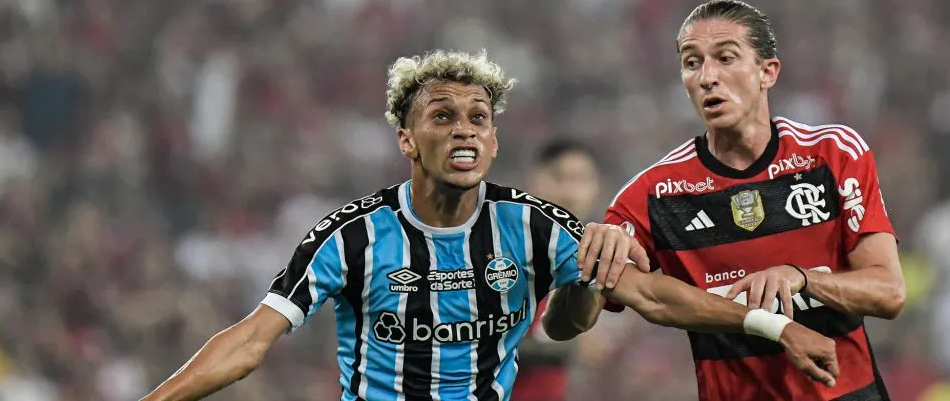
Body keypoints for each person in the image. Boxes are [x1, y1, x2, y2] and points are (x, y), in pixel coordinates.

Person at [139, 49, 839, 401]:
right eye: (442, 117)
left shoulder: (533, 227)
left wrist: (777, 327)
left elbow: (656, 297)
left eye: (478, 117)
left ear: (496, 143)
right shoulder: (349, 236)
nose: (465, 130)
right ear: (407, 140)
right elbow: (250, 343)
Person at [552, 0, 905, 400]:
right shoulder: (651, 196)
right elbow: (565, 326)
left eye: (725, 58)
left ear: (767, 72)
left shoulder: (832, 154)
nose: (707, 77)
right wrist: (584, 270)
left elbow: (889, 292)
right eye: (691, 63)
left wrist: (803, 278)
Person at [511, 139, 602, 401]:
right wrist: (569, 347)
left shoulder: (581, 260)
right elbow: (471, 340)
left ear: (596, 188)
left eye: (581, 180)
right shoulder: (504, 250)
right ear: (534, 182)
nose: (570, 193)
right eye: (559, 177)